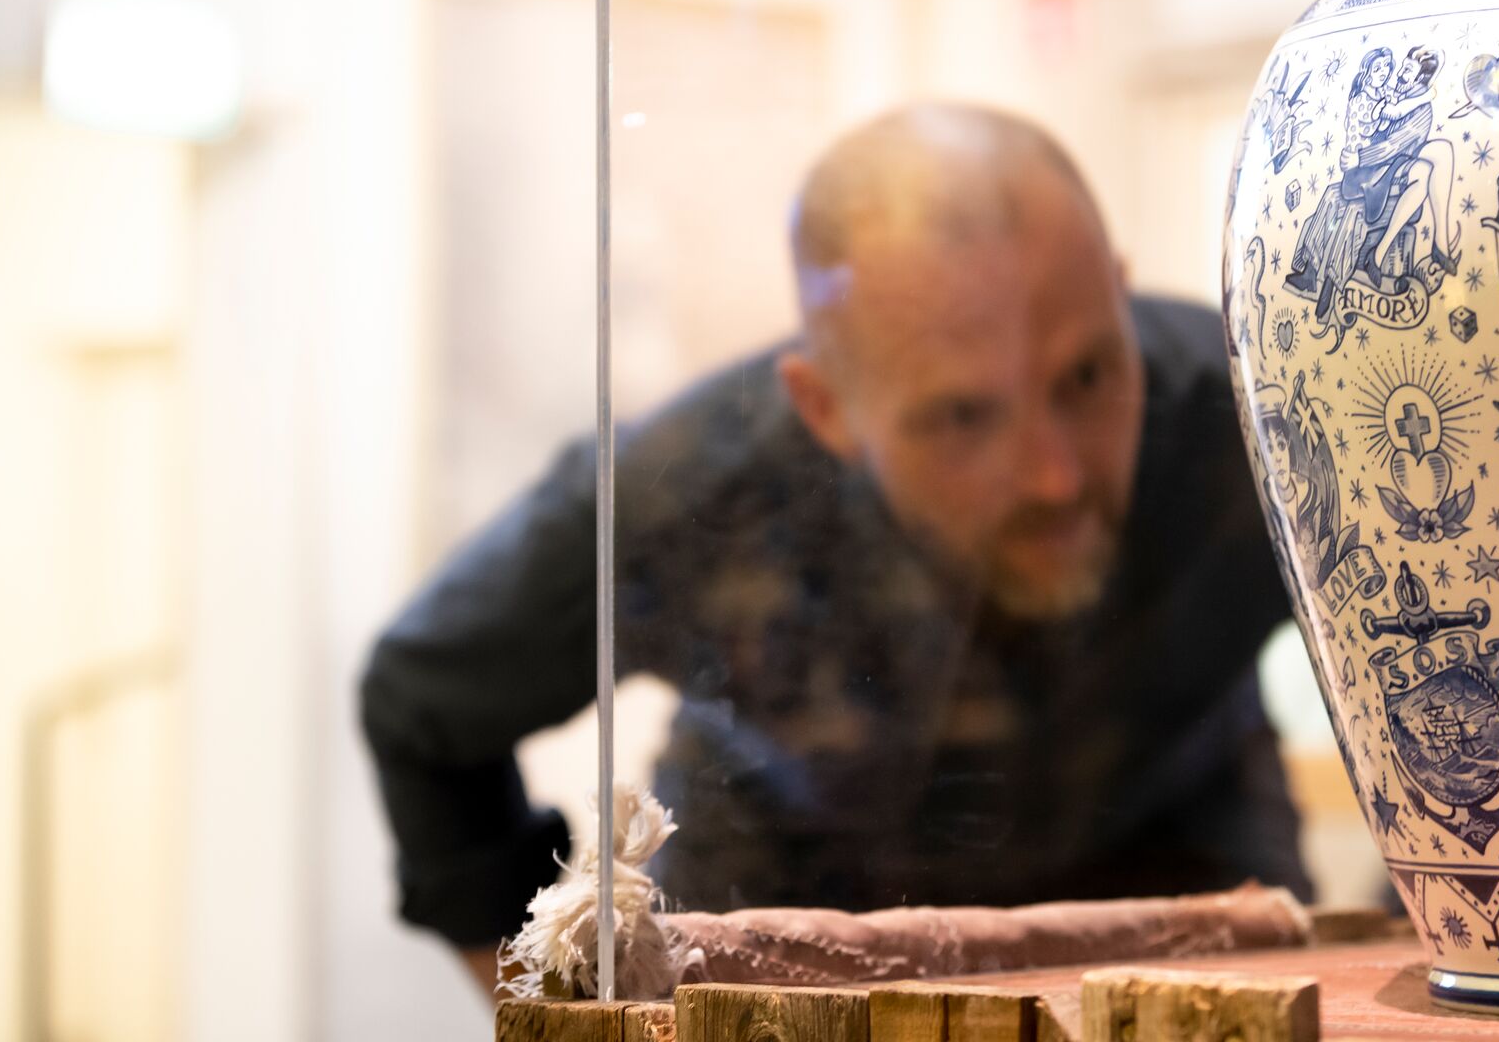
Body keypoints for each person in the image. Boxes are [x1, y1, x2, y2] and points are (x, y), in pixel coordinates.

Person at [359, 103, 1310, 989]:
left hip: (1186, 882)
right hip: (789, 929)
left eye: (1089, 374)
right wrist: (542, 1007)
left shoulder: (1268, 413)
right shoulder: (696, 488)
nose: (1054, 476)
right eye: (963, 416)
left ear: (1119, 294)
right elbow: (420, 700)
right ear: (824, 409)